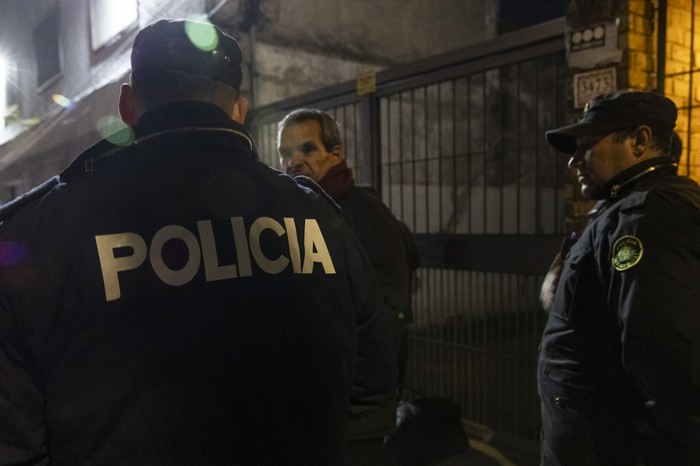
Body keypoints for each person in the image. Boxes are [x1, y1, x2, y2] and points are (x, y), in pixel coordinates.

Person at [0, 19, 396, 465]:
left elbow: (14, 437)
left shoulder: (37, 232)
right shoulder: (319, 217)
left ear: (129, 105)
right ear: (239, 111)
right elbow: (373, 388)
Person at [538, 90, 700, 465]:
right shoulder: (619, 210)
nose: (574, 161)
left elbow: (669, 363)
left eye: (587, 145)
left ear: (639, 141)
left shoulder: (646, 219)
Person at [277, 108, 412, 465]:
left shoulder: (368, 217)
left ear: (336, 154)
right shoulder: (296, 215)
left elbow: (389, 315)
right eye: (285, 153)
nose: (294, 162)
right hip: (316, 405)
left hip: (355, 417)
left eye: (307, 149)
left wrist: (358, 399)